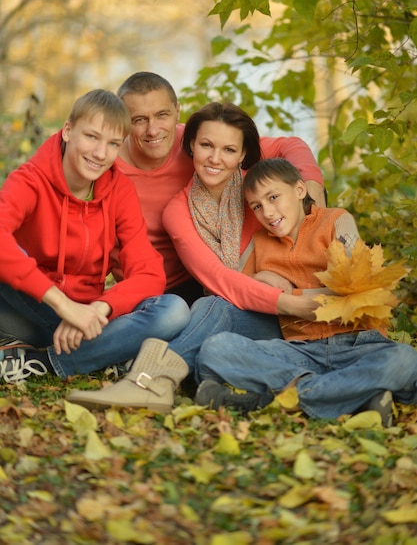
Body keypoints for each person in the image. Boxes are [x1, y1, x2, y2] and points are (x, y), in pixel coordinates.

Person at [67, 104, 324, 412]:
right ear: (190, 146)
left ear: (243, 155)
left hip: (313, 308)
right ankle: (152, 380)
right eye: (206, 146)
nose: (215, 159)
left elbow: (293, 147)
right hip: (268, 313)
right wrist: (285, 299)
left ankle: (149, 378)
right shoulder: (178, 211)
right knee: (211, 305)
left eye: (229, 149)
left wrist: (311, 182)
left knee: (210, 311)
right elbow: (218, 279)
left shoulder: (260, 193)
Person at [194, 158, 417, 426]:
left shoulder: (337, 220)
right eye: (257, 206)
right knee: (215, 350)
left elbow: (353, 289)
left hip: (359, 344)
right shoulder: (260, 242)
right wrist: (260, 276)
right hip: (300, 352)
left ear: (300, 190)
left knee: (404, 360)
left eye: (274, 197)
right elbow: (229, 290)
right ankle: (355, 398)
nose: (267, 212)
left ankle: (268, 402)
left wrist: (291, 298)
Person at [0, 89, 190, 383]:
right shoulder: (30, 180)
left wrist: (96, 309)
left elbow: (149, 272)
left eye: (113, 143)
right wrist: (64, 307)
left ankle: (40, 362)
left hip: (89, 322)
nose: (101, 154)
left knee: (173, 310)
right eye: (91, 137)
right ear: (67, 131)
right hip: (32, 309)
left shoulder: (119, 190)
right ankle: (101, 355)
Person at [113, 72, 325, 305]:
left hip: (206, 278)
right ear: (123, 121)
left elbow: (290, 146)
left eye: (162, 115)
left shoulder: (204, 139)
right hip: (153, 288)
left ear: (177, 111)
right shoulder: (107, 165)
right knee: (192, 310)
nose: (153, 130)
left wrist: (313, 199)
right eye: (139, 119)